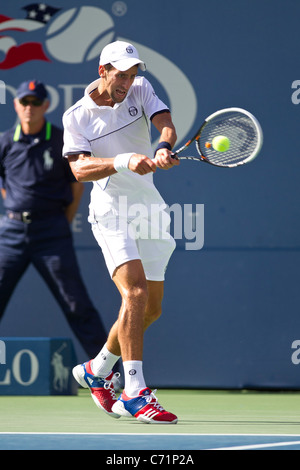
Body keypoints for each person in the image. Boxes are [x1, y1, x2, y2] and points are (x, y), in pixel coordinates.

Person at [63, 41, 179, 424]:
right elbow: (79, 169)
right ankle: (134, 391)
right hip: (111, 212)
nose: (128, 83)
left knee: (152, 308)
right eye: (121, 75)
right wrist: (126, 161)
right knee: (136, 293)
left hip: (149, 209)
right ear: (103, 71)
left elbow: (165, 123)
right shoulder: (76, 116)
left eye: (132, 75)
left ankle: (97, 370)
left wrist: (163, 146)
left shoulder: (141, 89)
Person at [0, 79, 108, 360]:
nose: (29, 108)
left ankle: (108, 373)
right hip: (10, 233)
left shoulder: (62, 141)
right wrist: (17, 210)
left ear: (46, 106)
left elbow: (76, 187)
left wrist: (58, 221)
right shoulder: (3, 142)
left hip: (51, 233)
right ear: (16, 104)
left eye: (36, 103)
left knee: (76, 304)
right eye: (25, 102)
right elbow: (4, 185)